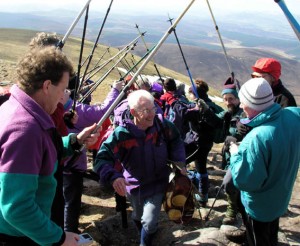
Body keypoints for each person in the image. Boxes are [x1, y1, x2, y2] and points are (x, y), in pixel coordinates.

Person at [0, 46, 100, 246]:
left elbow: (40, 154)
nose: (63, 96)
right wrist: (59, 238)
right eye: (62, 89)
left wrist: (74, 141)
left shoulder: (16, 108)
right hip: (21, 236)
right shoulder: (24, 129)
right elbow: (16, 207)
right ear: (47, 86)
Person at [94, 90, 187, 246]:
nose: (152, 114)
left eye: (153, 109)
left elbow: (176, 140)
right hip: (134, 186)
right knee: (138, 216)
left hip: (158, 182)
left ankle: (145, 241)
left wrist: (179, 163)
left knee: (149, 221)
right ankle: (146, 233)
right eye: (146, 111)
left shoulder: (162, 125)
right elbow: (102, 158)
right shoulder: (121, 134)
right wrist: (114, 176)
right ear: (133, 112)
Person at [227, 78, 300, 245]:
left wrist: (235, 153)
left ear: (253, 104)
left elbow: (246, 181)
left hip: (259, 206)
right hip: (281, 194)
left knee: (258, 238)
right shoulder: (294, 115)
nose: (240, 106)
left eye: (243, 102)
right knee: (272, 230)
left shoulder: (256, 138)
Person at [197, 77, 245, 224]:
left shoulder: (244, 115)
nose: (228, 102)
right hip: (230, 155)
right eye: (225, 99)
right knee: (231, 183)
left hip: (242, 156)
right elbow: (215, 121)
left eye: (231, 98)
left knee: (231, 183)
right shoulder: (227, 113)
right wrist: (204, 109)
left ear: (238, 99)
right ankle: (235, 209)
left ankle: (234, 211)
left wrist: (237, 138)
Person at [185, 79, 223, 206]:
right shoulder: (212, 105)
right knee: (201, 167)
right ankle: (203, 196)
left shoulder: (198, 107)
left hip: (197, 143)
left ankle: (187, 191)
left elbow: (184, 116)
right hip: (207, 143)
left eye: (190, 93)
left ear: (194, 94)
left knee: (180, 162)